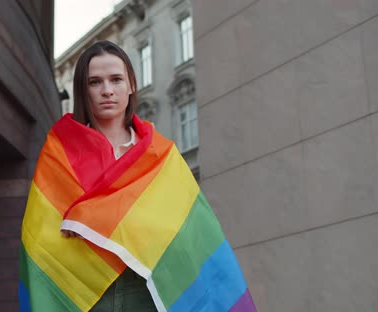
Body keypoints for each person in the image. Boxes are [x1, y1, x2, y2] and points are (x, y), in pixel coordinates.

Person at [19, 41, 257, 312]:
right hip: (85, 299)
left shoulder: (161, 156)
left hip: (149, 293)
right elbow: (40, 241)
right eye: (95, 82)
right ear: (82, 91)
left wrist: (93, 220)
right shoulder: (60, 151)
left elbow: (192, 233)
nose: (107, 90)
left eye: (116, 79)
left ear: (131, 85)